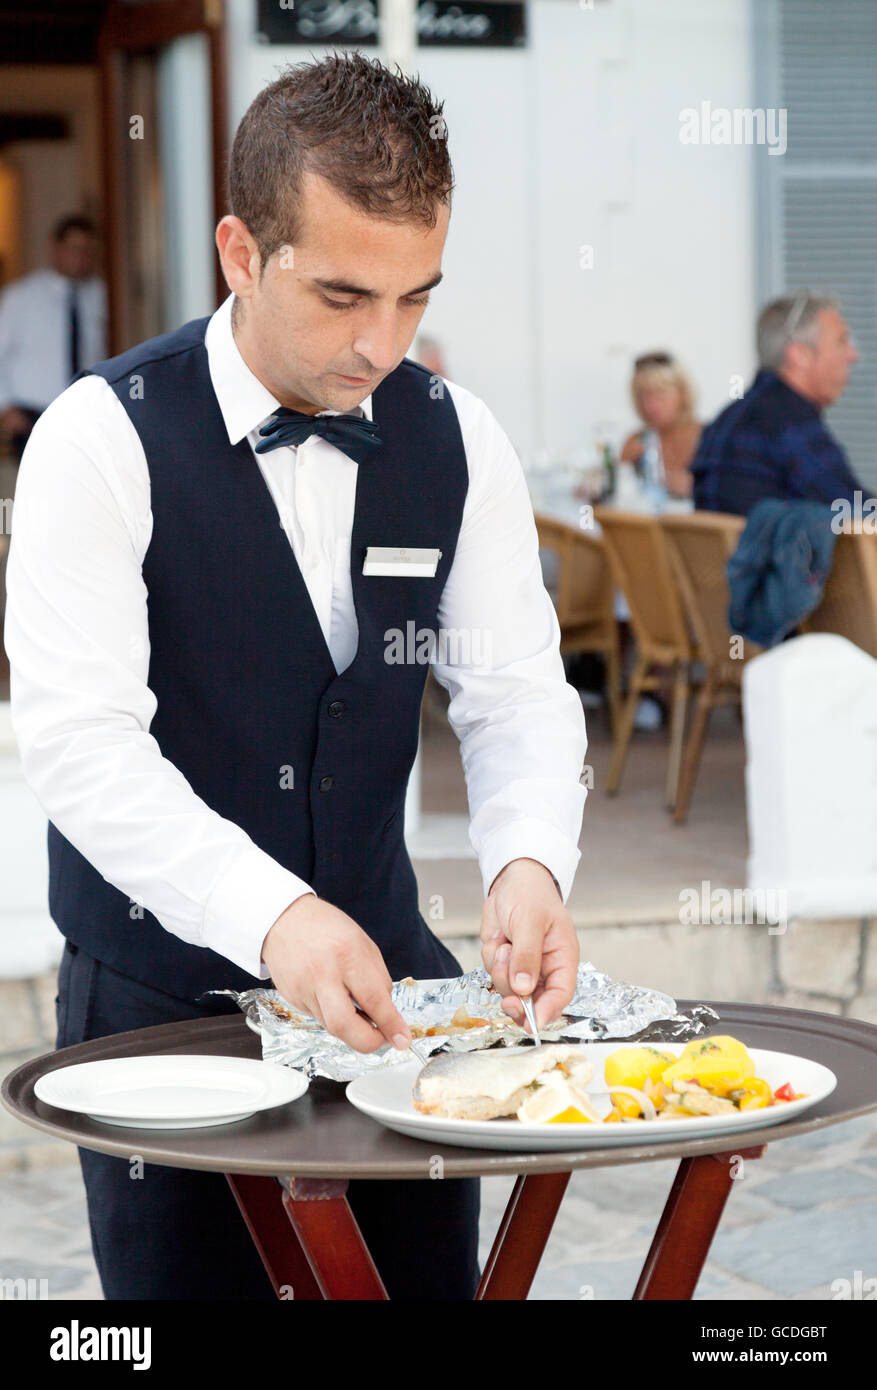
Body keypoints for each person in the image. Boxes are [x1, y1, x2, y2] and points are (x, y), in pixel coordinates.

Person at [4, 54, 587, 1301]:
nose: (381, 344)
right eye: (338, 296)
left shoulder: (456, 435)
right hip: (161, 1016)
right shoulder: (97, 441)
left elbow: (515, 691)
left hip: (396, 1000)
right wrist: (273, 918)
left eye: (413, 298)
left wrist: (529, 858)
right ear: (238, 250)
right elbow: (79, 744)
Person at [691, 292, 863, 515]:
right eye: (841, 342)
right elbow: (856, 511)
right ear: (800, 355)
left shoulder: (730, 416)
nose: (852, 355)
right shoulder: (788, 422)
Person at [0, 213, 105, 462]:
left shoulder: (102, 295)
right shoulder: (21, 297)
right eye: (73, 248)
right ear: (56, 249)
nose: (79, 257)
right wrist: (6, 408)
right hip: (31, 416)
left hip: (86, 415)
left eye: (87, 250)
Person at [619, 351, 701, 502]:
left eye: (660, 392)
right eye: (642, 395)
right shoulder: (636, 442)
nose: (650, 405)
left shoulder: (708, 437)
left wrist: (696, 488)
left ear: (682, 393)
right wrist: (622, 470)